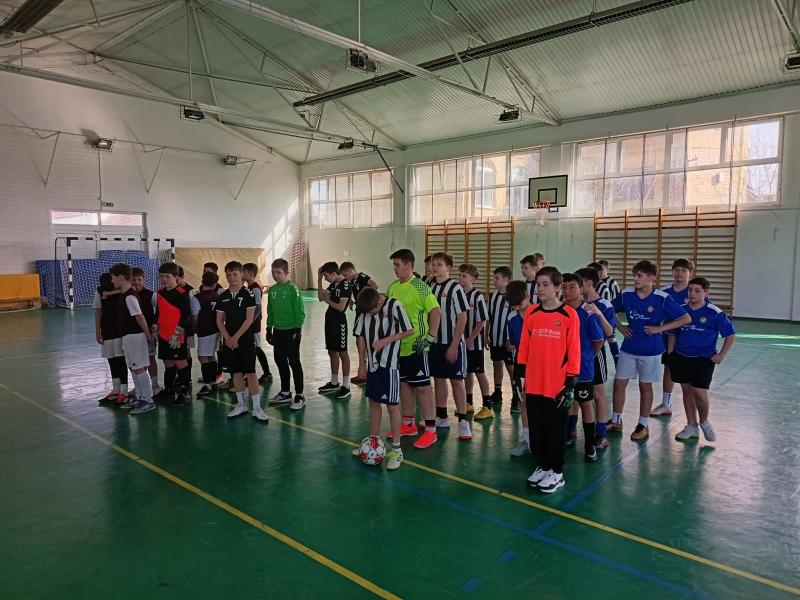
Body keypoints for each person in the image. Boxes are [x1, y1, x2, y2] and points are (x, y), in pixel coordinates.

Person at [610, 260, 691, 441]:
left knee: (645, 386)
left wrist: (660, 328)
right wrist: (621, 327)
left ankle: (643, 424)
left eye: (639, 276)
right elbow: (608, 309)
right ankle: (616, 420)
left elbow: (685, 318)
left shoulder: (662, 298)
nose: (635, 279)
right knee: (619, 383)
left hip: (651, 351)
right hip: (629, 348)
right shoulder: (626, 294)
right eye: (634, 275)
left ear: (651, 278)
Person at [518, 266, 581, 494]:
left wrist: (570, 383)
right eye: (538, 284)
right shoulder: (532, 313)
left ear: (557, 287)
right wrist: (520, 374)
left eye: (546, 284)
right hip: (534, 383)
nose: (540, 289)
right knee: (537, 428)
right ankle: (543, 465)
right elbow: (524, 345)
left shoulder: (569, 315)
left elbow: (574, 350)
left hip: (557, 385)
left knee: (555, 429)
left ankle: (557, 471)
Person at [351, 287, 414, 470]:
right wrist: (362, 362)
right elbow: (360, 336)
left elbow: (409, 330)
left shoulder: (395, 305)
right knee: (373, 402)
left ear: (379, 302)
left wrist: (387, 340)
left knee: (392, 406)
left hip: (390, 366)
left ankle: (396, 450)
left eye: (373, 312)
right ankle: (373, 442)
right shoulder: (365, 309)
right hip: (373, 365)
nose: (370, 315)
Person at [385, 249, 441, 449]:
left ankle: (431, 430)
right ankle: (408, 424)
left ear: (409, 265)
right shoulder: (392, 287)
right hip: (398, 347)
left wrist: (430, 338)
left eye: (397, 264)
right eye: (394, 265)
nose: (395, 268)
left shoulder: (421, 287)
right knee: (404, 386)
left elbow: (435, 311)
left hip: (417, 346)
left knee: (422, 388)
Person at [668, 277, 735, 442]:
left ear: (705, 293)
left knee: (699, 393)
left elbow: (730, 334)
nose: (692, 293)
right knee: (686, 391)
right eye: (690, 290)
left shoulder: (715, 313)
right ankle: (692, 425)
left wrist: (721, 355)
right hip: (682, 357)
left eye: (697, 291)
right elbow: (672, 333)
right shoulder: (680, 311)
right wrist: (671, 354)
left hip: (704, 359)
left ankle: (704, 421)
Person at [562, 273, 604, 463]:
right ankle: (567, 435)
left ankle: (589, 444)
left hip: (583, 368)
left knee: (585, 403)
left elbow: (598, 341)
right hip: (561, 369)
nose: (567, 291)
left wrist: (586, 356)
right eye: (564, 287)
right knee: (564, 403)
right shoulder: (559, 310)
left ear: (581, 289)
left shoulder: (588, 312)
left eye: (572, 287)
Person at [428, 252, 471, 440]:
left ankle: (463, 420)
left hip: (452, 343)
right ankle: (442, 416)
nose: (435, 267)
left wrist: (454, 345)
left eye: (439, 264)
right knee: (438, 379)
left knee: (456, 380)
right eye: (433, 264)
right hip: (435, 343)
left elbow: (463, 317)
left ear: (449, 268)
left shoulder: (455, 288)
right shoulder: (429, 286)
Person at [216, 261, 265, 421]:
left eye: (235, 274)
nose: (232, 277)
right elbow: (219, 320)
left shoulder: (249, 295)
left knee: (250, 372)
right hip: (229, 341)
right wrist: (228, 338)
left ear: (242, 274)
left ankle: (256, 407)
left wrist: (236, 337)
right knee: (236, 372)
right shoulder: (223, 296)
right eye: (228, 274)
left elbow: (249, 319)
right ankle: (241, 404)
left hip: (245, 340)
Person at [575, 267, 616, 451]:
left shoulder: (604, 305)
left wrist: (598, 313)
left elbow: (610, 332)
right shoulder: (576, 304)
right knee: (576, 394)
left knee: (598, 393)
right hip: (577, 356)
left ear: (589, 284)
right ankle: (571, 430)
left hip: (595, 354)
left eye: (579, 283)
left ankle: (600, 434)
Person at [109, 264, 156, 414]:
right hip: (128, 337)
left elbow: (139, 316)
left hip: (135, 336)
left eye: (113, 278)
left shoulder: (130, 296)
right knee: (133, 367)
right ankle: (140, 397)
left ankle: (147, 400)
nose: (112, 281)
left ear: (121, 278)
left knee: (139, 368)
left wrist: (148, 335)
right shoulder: (125, 295)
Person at [652, 258, 694, 417]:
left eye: (683, 270)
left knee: (689, 374)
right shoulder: (664, 292)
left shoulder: (694, 291)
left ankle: (693, 411)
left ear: (690, 273)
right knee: (669, 368)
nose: (679, 273)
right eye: (676, 270)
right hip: (668, 337)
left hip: (688, 339)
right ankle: (666, 404)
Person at [266, 258, 306, 410]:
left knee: (294, 362)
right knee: (280, 360)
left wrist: (297, 329)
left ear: (286, 272)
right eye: (273, 272)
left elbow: (299, 311)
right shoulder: (272, 290)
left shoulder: (293, 289)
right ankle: (285, 392)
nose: (275, 275)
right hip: (278, 331)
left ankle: (300, 395)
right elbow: (270, 311)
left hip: (291, 331)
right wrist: (268, 328)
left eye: (279, 272)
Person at [152, 262, 193, 406]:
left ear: (176, 277)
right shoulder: (160, 293)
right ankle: (168, 389)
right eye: (161, 276)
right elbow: (158, 312)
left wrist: (178, 333)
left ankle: (185, 390)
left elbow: (186, 315)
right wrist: (155, 326)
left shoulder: (182, 293)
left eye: (167, 276)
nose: (164, 279)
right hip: (163, 334)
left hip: (176, 334)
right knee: (168, 362)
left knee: (180, 362)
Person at [504, 281, 535, 457]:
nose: (516, 307)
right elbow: (514, 341)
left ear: (528, 296)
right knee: (524, 401)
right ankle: (528, 440)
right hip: (521, 364)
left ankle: (542, 439)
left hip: (540, 365)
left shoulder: (539, 313)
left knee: (541, 404)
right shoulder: (512, 318)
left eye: (519, 303)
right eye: (513, 305)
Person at [317, 262, 353, 399]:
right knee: (332, 351)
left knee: (342, 352)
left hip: (339, 322)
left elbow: (341, 307)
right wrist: (319, 280)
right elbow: (321, 298)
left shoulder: (345, 285)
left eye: (326, 276)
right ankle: (334, 382)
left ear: (333, 273)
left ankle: (346, 386)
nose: (325, 279)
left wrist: (328, 301)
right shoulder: (333, 285)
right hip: (330, 321)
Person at [458, 263, 490, 414]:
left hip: (474, 343)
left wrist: (471, 338)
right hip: (462, 343)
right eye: (460, 275)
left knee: (479, 372)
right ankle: (468, 402)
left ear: (473, 279)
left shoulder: (477, 296)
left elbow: (482, 320)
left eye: (464, 276)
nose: (460, 278)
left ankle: (487, 405)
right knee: (467, 372)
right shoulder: (459, 295)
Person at [340, 261, 378, 385]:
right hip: (359, 311)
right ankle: (364, 369)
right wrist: (352, 301)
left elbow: (375, 286)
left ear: (351, 271)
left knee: (365, 340)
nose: (344, 277)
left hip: (365, 311)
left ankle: (367, 370)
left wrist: (364, 295)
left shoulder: (362, 277)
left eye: (345, 274)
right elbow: (354, 292)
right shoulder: (352, 281)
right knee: (359, 340)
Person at [94, 272, 129, 407]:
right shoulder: (99, 292)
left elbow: (127, 288)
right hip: (107, 331)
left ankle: (124, 392)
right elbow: (98, 311)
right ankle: (116, 390)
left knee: (120, 360)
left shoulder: (122, 290)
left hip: (120, 331)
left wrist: (110, 293)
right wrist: (98, 331)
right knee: (111, 359)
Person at [482, 266, 513, 415]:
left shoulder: (512, 297)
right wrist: (486, 335)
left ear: (506, 279)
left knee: (511, 368)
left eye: (497, 278)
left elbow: (517, 319)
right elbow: (488, 317)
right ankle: (498, 391)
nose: (494, 281)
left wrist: (513, 339)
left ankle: (516, 395)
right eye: (494, 278)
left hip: (508, 340)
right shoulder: (493, 296)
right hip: (495, 338)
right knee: (496, 365)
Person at [242, 262, 273, 384]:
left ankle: (267, 373)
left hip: (253, 325)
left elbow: (258, 306)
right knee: (251, 349)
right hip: (249, 324)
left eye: (243, 272)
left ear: (250, 273)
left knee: (257, 348)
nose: (241, 274)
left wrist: (250, 321)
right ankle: (249, 373)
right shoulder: (247, 288)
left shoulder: (255, 288)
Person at [131, 267, 160, 395]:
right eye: (134, 280)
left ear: (144, 280)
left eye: (139, 279)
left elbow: (160, 310)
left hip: (148, 333)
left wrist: (155, 324)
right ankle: (140, 386)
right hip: (132, 333)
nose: (136, 282)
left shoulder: (151, 295)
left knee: (150, 358)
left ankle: (155, 384)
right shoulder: (127, 295)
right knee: (136, 361)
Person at [195, 271, 222, 397]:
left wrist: (194, 327)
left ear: (202, 281)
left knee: (202, 357)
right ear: (215, 283)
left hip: (204, 330)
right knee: (211, 355)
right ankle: (213, 381)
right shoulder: (218, 296)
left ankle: (208, 384)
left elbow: (194, 316)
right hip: (216, 329)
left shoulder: (197, 298)